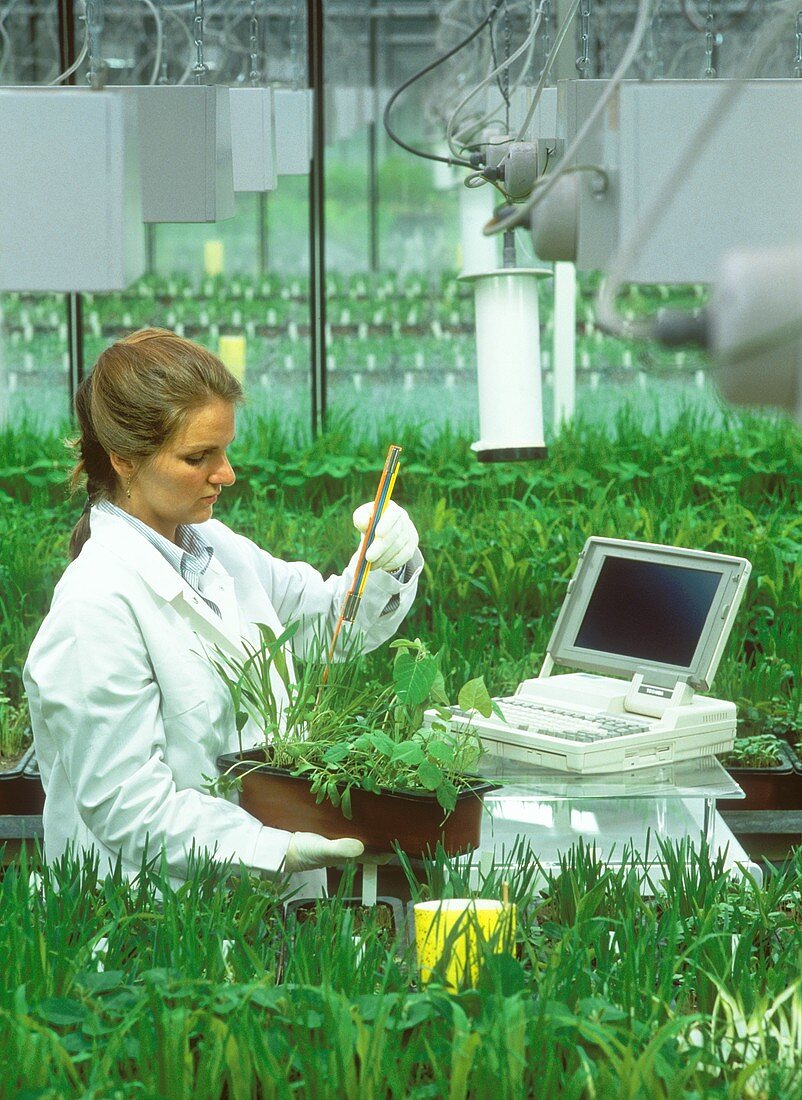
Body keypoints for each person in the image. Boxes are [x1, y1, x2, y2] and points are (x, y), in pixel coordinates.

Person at [24, 328, 422, 891]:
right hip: (157, 924)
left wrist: (385, 562)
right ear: (124, 459)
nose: (226, 474)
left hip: (272, 896)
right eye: (198, 457)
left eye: (225, 450)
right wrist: (270, 847)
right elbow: (127, 806)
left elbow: (333, 627)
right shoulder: (95, 606)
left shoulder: (214, 550)